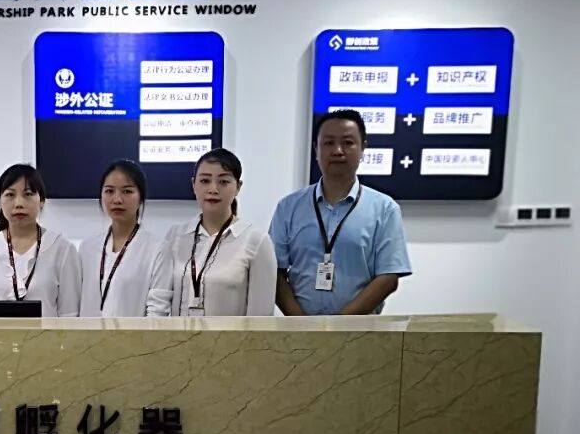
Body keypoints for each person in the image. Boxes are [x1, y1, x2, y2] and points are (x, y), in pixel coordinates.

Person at [269, 109, 412, 316]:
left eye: (347, 142)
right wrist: (301, 324)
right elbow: (274, 272)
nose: (337, 150)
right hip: (299, 330)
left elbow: (388, 277)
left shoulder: (384, 208)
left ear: (363, 149)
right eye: (328, 143)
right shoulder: (288, 207)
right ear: (316, 149)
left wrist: (339, 326)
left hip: (359, 330)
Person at [160, 148, 276, 317]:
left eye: (223, 182)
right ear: (194, 185)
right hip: (178, 334)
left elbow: (261, 318)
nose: (213, 189)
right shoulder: (175, 236)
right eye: (205, 181)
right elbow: (161, 299)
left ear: (238, 187)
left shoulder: (256, 241)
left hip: (230, 335)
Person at [0, 163, 81, 317]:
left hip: (47, 333)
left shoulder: (62, 249)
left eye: (28, 194)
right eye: (10, 195)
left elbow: (69, 314)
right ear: (0, 201)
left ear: (41, 201)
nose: (19, 203)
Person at [79, 160, 171, 318]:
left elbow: (157, 311)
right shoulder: (87, 248)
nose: (117, 199)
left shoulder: (157, 249)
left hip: (134, 334)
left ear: (141, 197)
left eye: (127, 191)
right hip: (87, 334)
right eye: (109, 191)